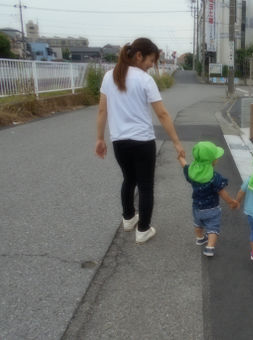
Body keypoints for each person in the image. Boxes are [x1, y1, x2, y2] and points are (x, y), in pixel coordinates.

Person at [95, 37, 185, 244]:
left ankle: (128, 219)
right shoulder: (144, 80)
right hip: (142, 142)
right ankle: (143, 229)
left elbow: (102, 110)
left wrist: (100, 138)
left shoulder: (109, 77)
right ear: (138, 56)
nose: (151, 65)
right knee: (145, 186)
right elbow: (162, 114)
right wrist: (176, 142)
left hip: (119, 141)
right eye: (151, 60)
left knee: (129, 179)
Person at [177, 141, 238, 257]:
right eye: (216, 158)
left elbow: (185, 165)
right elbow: (222, 192)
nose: (217, 159)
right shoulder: (214, 177)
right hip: (212, 208)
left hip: (196, 207)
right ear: (212, 160)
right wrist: (231, 202)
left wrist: (180, 158)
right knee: (213, 227)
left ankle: (200, 238)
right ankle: (210, 247)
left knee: (198, 224)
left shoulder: (192, 172)